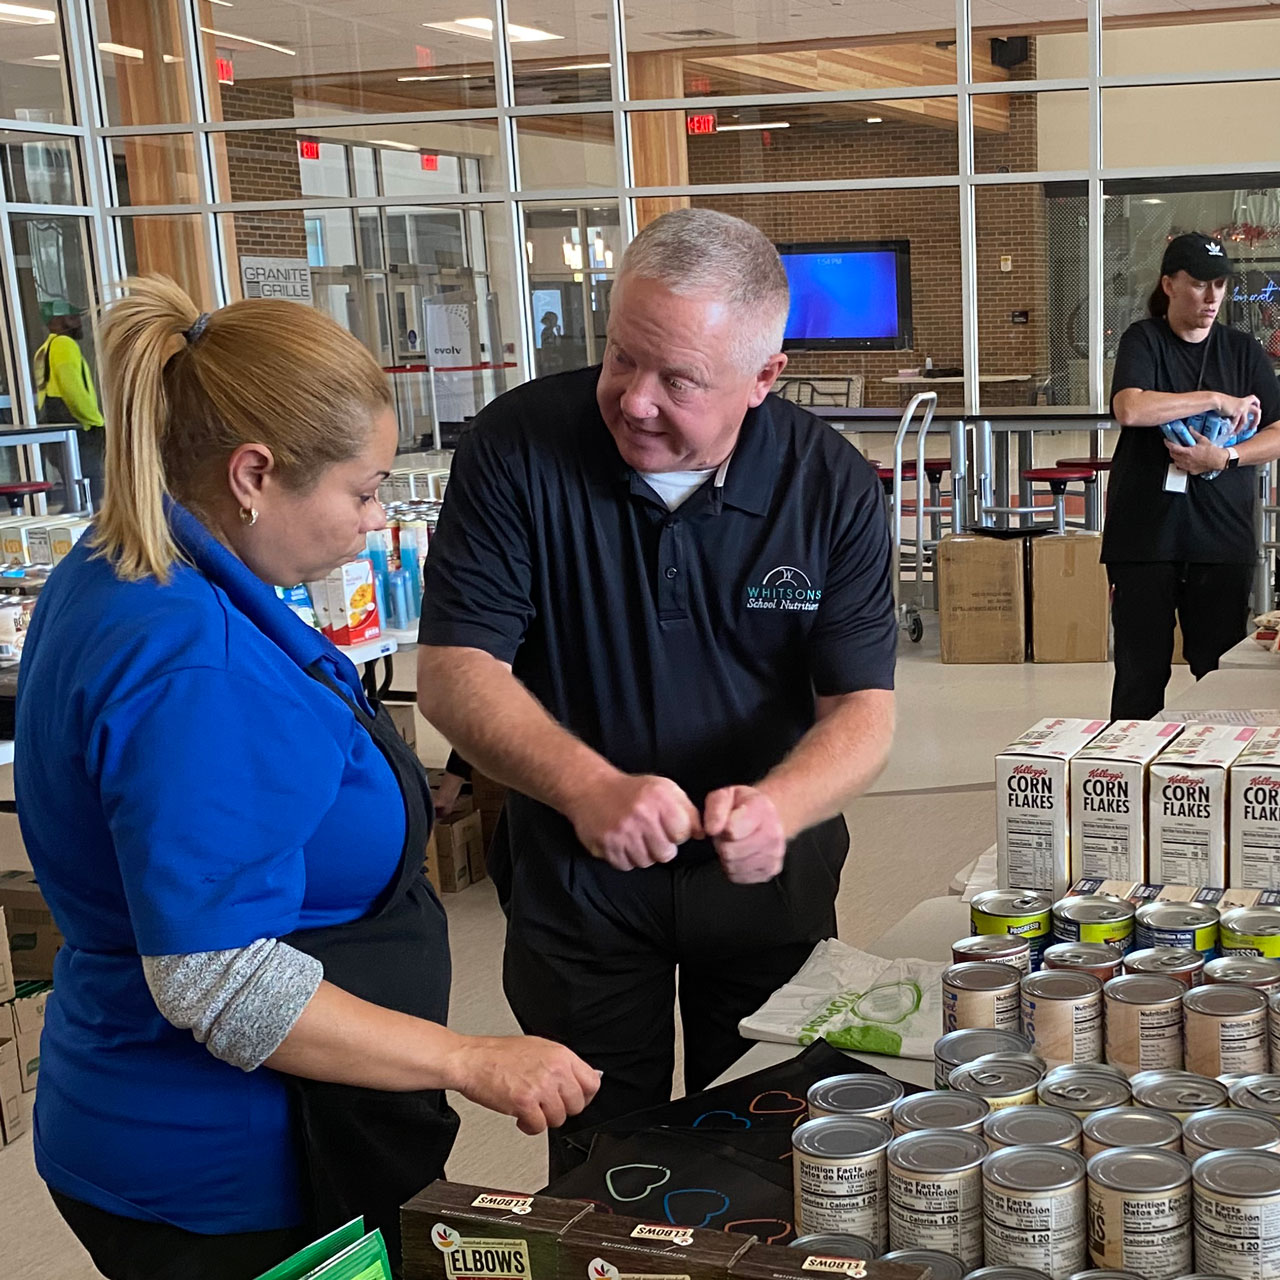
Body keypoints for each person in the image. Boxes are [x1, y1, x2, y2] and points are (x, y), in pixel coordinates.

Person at [14, 276, 598, 1280]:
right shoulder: (190, 657)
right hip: (224, 1164)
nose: (374, 520)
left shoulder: (123, 566)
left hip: (148, 1115)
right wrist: (469, 1057)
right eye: (363, 491)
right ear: (252, 473)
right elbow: (214, 972)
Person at [417, 208, 897, 1174]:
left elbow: (864, 709)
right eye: (619, 359)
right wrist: (590, 788)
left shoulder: (830, 487)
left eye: (678, 380)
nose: (635, 401)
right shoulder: (517, 448)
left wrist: (779, 809)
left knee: (769, 1146)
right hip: (578, 879)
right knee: (602, 1155)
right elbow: (454, 670)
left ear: (765, 378)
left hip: (766, 881)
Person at [1105, 232, 1280, 719]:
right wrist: (1214, 398)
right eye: (1199, 284)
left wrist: (1225, 459)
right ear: (1168, 284)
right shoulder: (1143, 339)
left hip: (1220, 538)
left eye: (1220, 285)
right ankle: (1132, 779)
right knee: (1141, 673)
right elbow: (1131, 408)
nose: (1211, 297)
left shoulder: (1243, 351)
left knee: (1219, 671)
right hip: (1146, 537)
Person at [33, 303, 106, 505]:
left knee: (75, 493)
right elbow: (72, 389)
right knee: (92, 493)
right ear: (55, 322)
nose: (78, 322)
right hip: (79, 428)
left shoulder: (45, 348)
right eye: (71, 318)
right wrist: (96, 421)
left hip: (56, 426)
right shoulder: (64, 344)